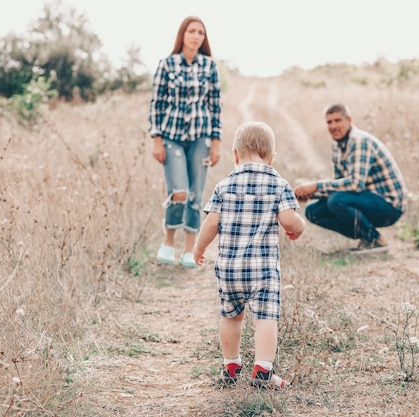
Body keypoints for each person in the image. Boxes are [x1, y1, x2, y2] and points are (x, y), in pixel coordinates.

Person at [193, 121, 306, 389]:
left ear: (234, 154)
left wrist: (199, 249)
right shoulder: (278, 184)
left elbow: (211, 224)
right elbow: (289, 220)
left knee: (231, 317)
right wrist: (298, 229)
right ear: (271, 156)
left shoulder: (224, 185)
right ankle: (263, 372)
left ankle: (230, 365)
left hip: (230, 269)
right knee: (266, 318)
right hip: (263, 271)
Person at [148, 15, 222, 268]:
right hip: (171, 138)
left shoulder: (210, 67)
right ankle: (168, 241)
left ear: (204, 38)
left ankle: (190, 250)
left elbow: (215, 106)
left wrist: (216, 142)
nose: (196, 36)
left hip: (201, 138)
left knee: (195, 195)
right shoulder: (167, 65)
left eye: (200, 32)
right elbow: (156, 104)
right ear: (183, 34)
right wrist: (156, 140)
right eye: (192, 31)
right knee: (179, 192)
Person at [294, 103, 407, 253]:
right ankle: (366, 238)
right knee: (313, 211)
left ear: (349, 120)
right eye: (329, 122)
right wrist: (311, 194)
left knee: (337, 200)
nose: (333, 126)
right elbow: (340, 186)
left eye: (338, 120)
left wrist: (316, 185)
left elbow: (355, 185)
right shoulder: (337, 147)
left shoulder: (359, 141)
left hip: (390, 205)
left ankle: (376, 240)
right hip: (367, 199)